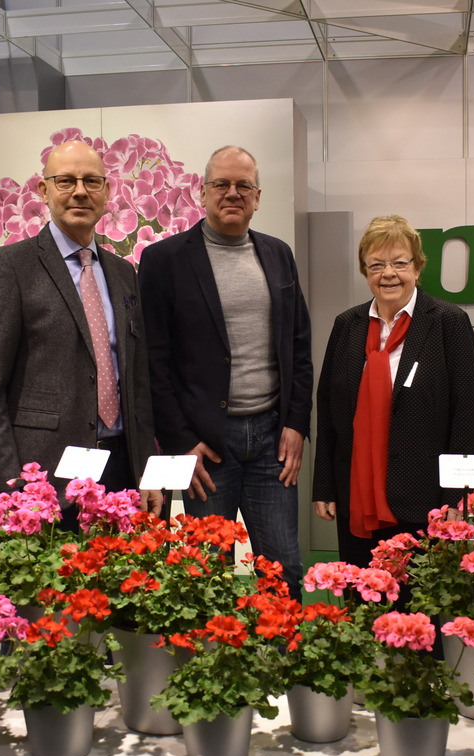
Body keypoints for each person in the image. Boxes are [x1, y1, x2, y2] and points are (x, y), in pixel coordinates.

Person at [139, 145, 312, 598]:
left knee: (284, 570)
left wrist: (296, 423)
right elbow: (152, 362)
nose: (232, 193)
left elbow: (299, 345)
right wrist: (180, 443)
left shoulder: (278, 254)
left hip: (272, 442)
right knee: (206, 574)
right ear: (202, 192)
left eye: (243, 186)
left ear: (258, 197)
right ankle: (213, 649)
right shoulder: (163, 260)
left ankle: (281, 648)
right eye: (221, 184)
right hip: (206, 448)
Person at [0, 140, 161, 521]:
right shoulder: (9, 267)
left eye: (92, 181)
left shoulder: (123, 273)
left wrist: (147, 471)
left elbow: (136, 383)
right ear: (44, 190)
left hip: (121, 472)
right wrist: (8, 492)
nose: (80, 191)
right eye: (66, 181)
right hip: (44, 480)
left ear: (107, 191)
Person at [312, 214, 474, 570]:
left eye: (399, 263)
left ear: (417, 267)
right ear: (365, 271)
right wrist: (324, 486)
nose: (388, 273)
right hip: (357, 493)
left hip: (425, 498)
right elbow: (328, 411)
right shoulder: (347, 325)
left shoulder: (447, 322)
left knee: (417, 600)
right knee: (362, 592)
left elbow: (467, 413)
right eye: (376, 264)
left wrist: (458, 494)